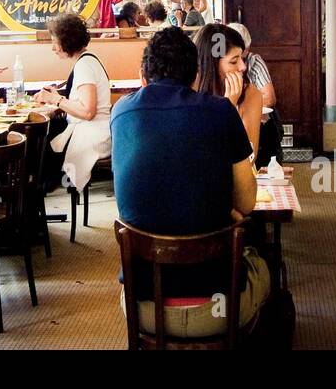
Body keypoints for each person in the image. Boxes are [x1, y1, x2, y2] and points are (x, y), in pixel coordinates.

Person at [112, 27, 269, 338]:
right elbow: (247, 204)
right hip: (218, 308)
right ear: (197, 75)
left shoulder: (121, 113)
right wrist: (225, 211)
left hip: (142, 306)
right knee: (266, 268)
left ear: (143, 75)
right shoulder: (221, 110)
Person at [34, 14, 112, 193]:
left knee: (41, 136)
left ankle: (41, 188)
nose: (53, 48)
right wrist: (56, 97)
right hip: (96, 128)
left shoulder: (84, 65)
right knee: (51, 129)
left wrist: (56, 99)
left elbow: (87, 111)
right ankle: (47, 185)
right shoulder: (88, 60)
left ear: (67, 41)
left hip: (94, 133)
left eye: (55, 42)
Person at [193, 23, 263, 160]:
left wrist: (230, 107)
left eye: (242, 58)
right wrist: (226, 107)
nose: (243, 67)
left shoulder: (250, 94)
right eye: (234, 61)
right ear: (211, 65)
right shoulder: (189, 94)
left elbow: (249, 156)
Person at [227, 22, 279, 167]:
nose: (242, 66)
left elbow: (269, 98)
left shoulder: (254, 61)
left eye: (243, 51)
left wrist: (247, 102)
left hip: (261, 128)